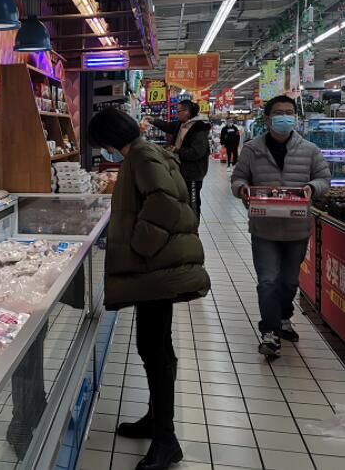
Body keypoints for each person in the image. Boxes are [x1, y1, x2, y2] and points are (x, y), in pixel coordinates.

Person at [89, 108, 211, 470]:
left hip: (157, 268)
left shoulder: (141, 156)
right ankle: (156, 420)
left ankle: (166, 440)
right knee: (157, 347)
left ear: (109, 139)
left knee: (154, 349)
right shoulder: (150, 151)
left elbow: (163, 205)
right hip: (162, 267)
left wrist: (138, 247)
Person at [231, 95, 331, 357]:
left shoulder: (310, 150)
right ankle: (270, 331)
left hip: (296, 228)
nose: (285, 117)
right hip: (264, 228)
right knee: (268, 280)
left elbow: (324, 179)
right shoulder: (252, 149)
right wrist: (242, 190)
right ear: (268, 119)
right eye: (279, 113)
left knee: (288, 282)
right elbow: (238, 178)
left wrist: (312, 187)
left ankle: (284, 317)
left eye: (289, 112)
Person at [147, 100, 211, 220]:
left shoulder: (198, 128)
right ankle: (184, 223)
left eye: (179, 111)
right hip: (181, 169)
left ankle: (193, 225)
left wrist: (177, 150)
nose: (177, 114)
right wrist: (152, 120)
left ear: (187, 112)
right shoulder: (182, 124)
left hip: (193, 172)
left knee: (192, 201)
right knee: (183, 199)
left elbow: (196, 153)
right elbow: (167, 126)